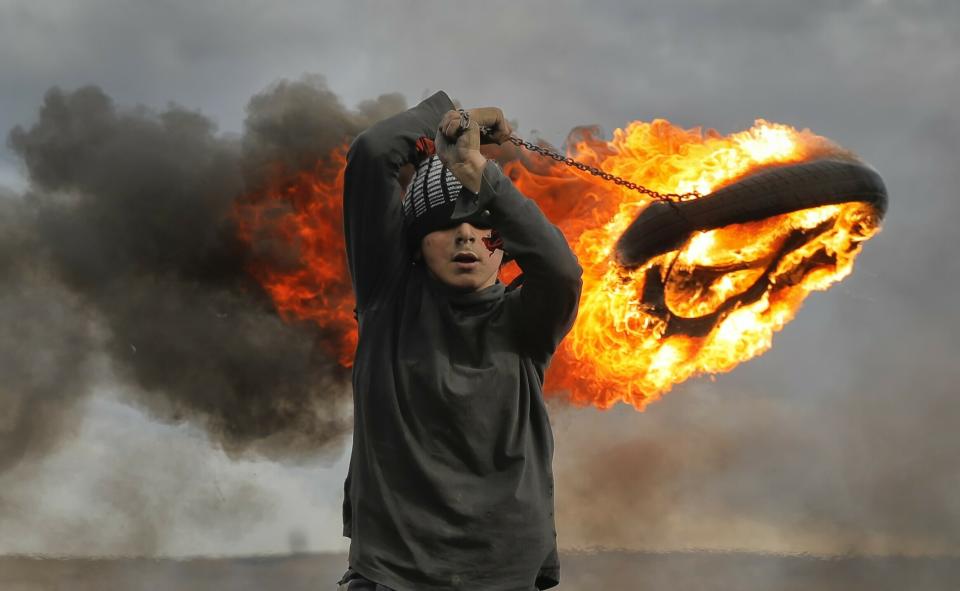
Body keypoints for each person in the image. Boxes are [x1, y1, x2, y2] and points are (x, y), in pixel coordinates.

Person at [339, 90, 583, 591]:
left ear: (504, 249)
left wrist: (479, 169)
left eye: (482, 227)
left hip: (507, 575)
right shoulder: (388, 302)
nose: (467, 237)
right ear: (416, 244)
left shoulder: (526, 322)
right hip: (394, 576)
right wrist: (449, 117)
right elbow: (372, 153)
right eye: (447, 226)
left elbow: (560, 270)